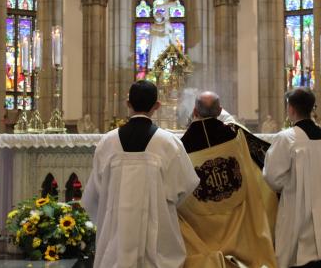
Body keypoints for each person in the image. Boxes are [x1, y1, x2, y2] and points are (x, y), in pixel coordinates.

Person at [81, 80, 200, 268]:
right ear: (157, 106)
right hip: (157, 241)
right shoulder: (168, 143)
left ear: (128, 104)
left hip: (115, 245)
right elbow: (184, 187)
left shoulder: (107, 143)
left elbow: (94, 195)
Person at [178, 91, 278, 268]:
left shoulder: (181, 145)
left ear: (194, 111)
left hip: (200, 221)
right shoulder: (235, 134)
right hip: (235, 219)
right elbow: (259, 162)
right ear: (220, 111)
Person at [263, 88, 321, 268]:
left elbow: (272, 176)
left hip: (297, 205)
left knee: (295, 257)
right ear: (312, 108)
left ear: (291, 109)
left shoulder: (287, 138)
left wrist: (288, 184)